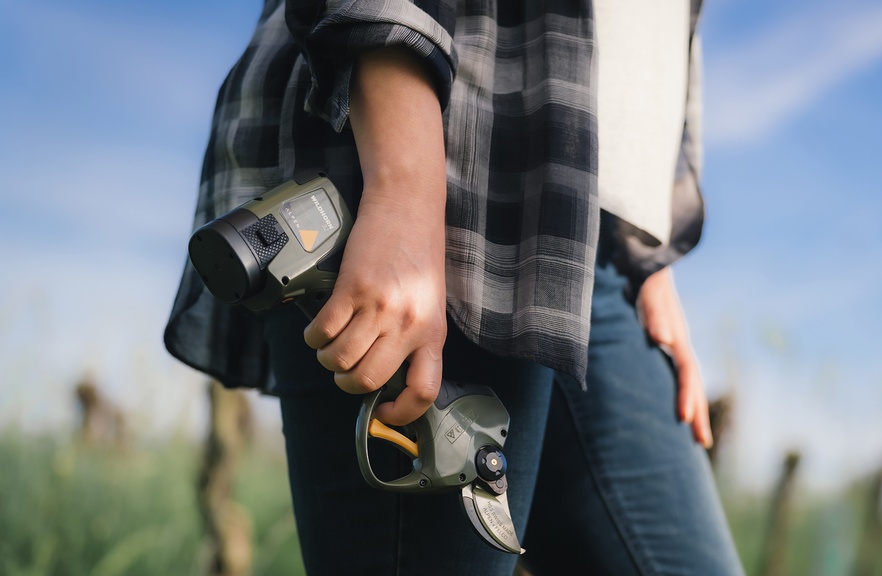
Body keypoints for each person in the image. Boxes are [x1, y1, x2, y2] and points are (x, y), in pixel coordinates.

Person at [165, 0, 744, 574]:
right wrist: (404, 181)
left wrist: (653, 251)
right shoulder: (410, 179)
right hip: (443, 162)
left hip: (595, 241)